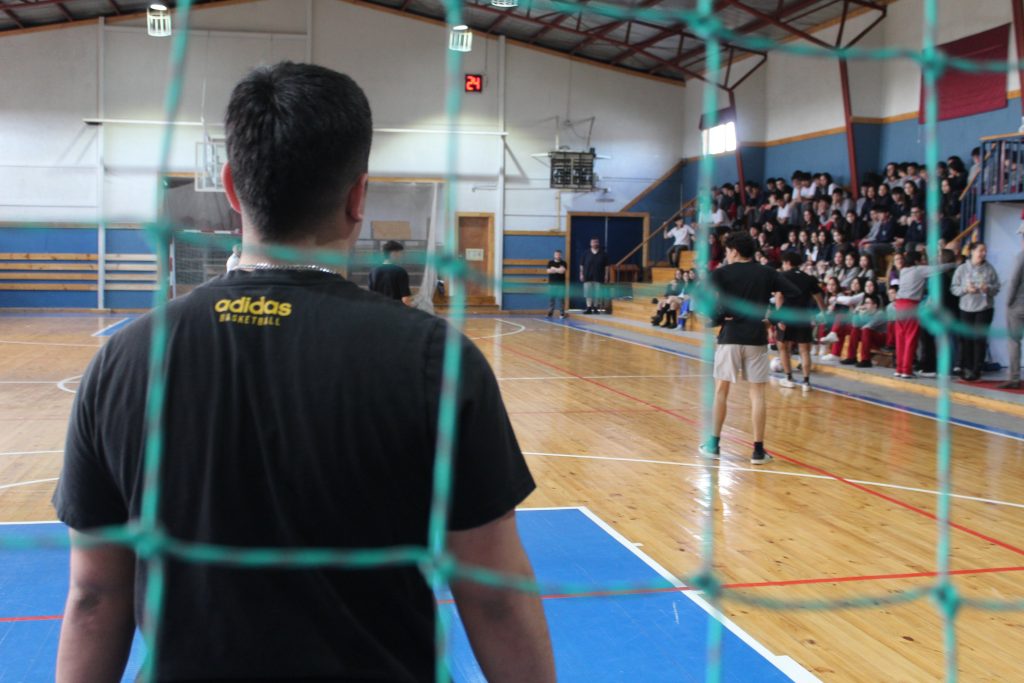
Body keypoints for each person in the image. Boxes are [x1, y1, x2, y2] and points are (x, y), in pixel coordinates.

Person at [51, 62, 555, 683]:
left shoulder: (125, 360)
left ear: (232, 188)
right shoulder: (436, 363)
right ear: (358, 195)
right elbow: (494, 594)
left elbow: (95, 596)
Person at [698, 231, 800, 465]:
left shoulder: (721, 273)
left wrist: (718, 316)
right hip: (756, 337)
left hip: (730, 337)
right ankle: (758, 451)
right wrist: (770, 315)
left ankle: (713, 445)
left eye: (727, 251)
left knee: (721, 391)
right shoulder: (767, 272)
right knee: (757, 394)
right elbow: (794, 291)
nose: (726, 254)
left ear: (733, 251)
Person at [892, 250, 956, 379]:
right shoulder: (919, 270)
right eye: (921, 259)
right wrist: (954, 264)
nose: (923, 261)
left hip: (898, 305)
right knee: (910, 339)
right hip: (910, 306)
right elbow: (939, 268)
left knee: (900, 339)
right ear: (916, 260)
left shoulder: (903, 270)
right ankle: (907, 370)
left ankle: (899, 368)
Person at [951, 242, 1001, 381]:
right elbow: (954, 289)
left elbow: (997, 288)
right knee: (966, 338)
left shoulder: (989, 269)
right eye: (980, 250)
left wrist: (988, 288)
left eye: (985, 251)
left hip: (984, 308)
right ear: (972, 251)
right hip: (966, 308)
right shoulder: (962, 269)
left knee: (979, 339)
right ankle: (966, 367)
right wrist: (966, 289)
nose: (983, 253)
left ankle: (977, 368)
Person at [775, 252, 825, 391]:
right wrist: (823, 312)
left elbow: (779, 297)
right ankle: (806, 382)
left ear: (788, 262)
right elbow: (819, 297)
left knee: (783, 347)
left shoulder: (782, 276)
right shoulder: (809, 278)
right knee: (804, 350)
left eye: (783, 263)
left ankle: (789, 379)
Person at [1001, 222, 1024, 389]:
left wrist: (1008, 302)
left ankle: (1014, 377)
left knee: (1013, 341)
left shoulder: (1021, 256)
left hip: (1018, 305)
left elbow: (1014, 281)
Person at [368, 239, 413, 305]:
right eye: (400, 253)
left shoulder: (373, 272)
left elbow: (371, 296)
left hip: (377, 310)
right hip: (395, 311)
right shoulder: (400, 272)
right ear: (393, 253)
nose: (401, 256)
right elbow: (405, 299)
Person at [580, 237, 609, 314]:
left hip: (599, 276)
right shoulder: (585, 253)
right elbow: (581, 265)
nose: (594, 244)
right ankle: (589, 308)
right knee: (588, 292)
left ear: (598, 243)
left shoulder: (603, 254)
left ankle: (596, 307)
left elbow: (606, 266)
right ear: (590, 244)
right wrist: (581, 274)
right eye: (593, 242)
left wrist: (606, 275)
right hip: (587, 276)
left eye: (596, 242)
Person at [546, 248, 567, 318]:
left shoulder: (563, 263)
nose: (557, 256)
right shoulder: (550, 262)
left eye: (559, 254)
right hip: (552, 284)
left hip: (561, 284)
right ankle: (550, 312)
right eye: (556, 254)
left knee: (561, 299)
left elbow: (562, 271)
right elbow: (548, 271)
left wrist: (554, 269)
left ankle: (562, 313)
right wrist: (558, 269)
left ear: (561, 255)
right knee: (551, 299)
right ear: (554, 255)